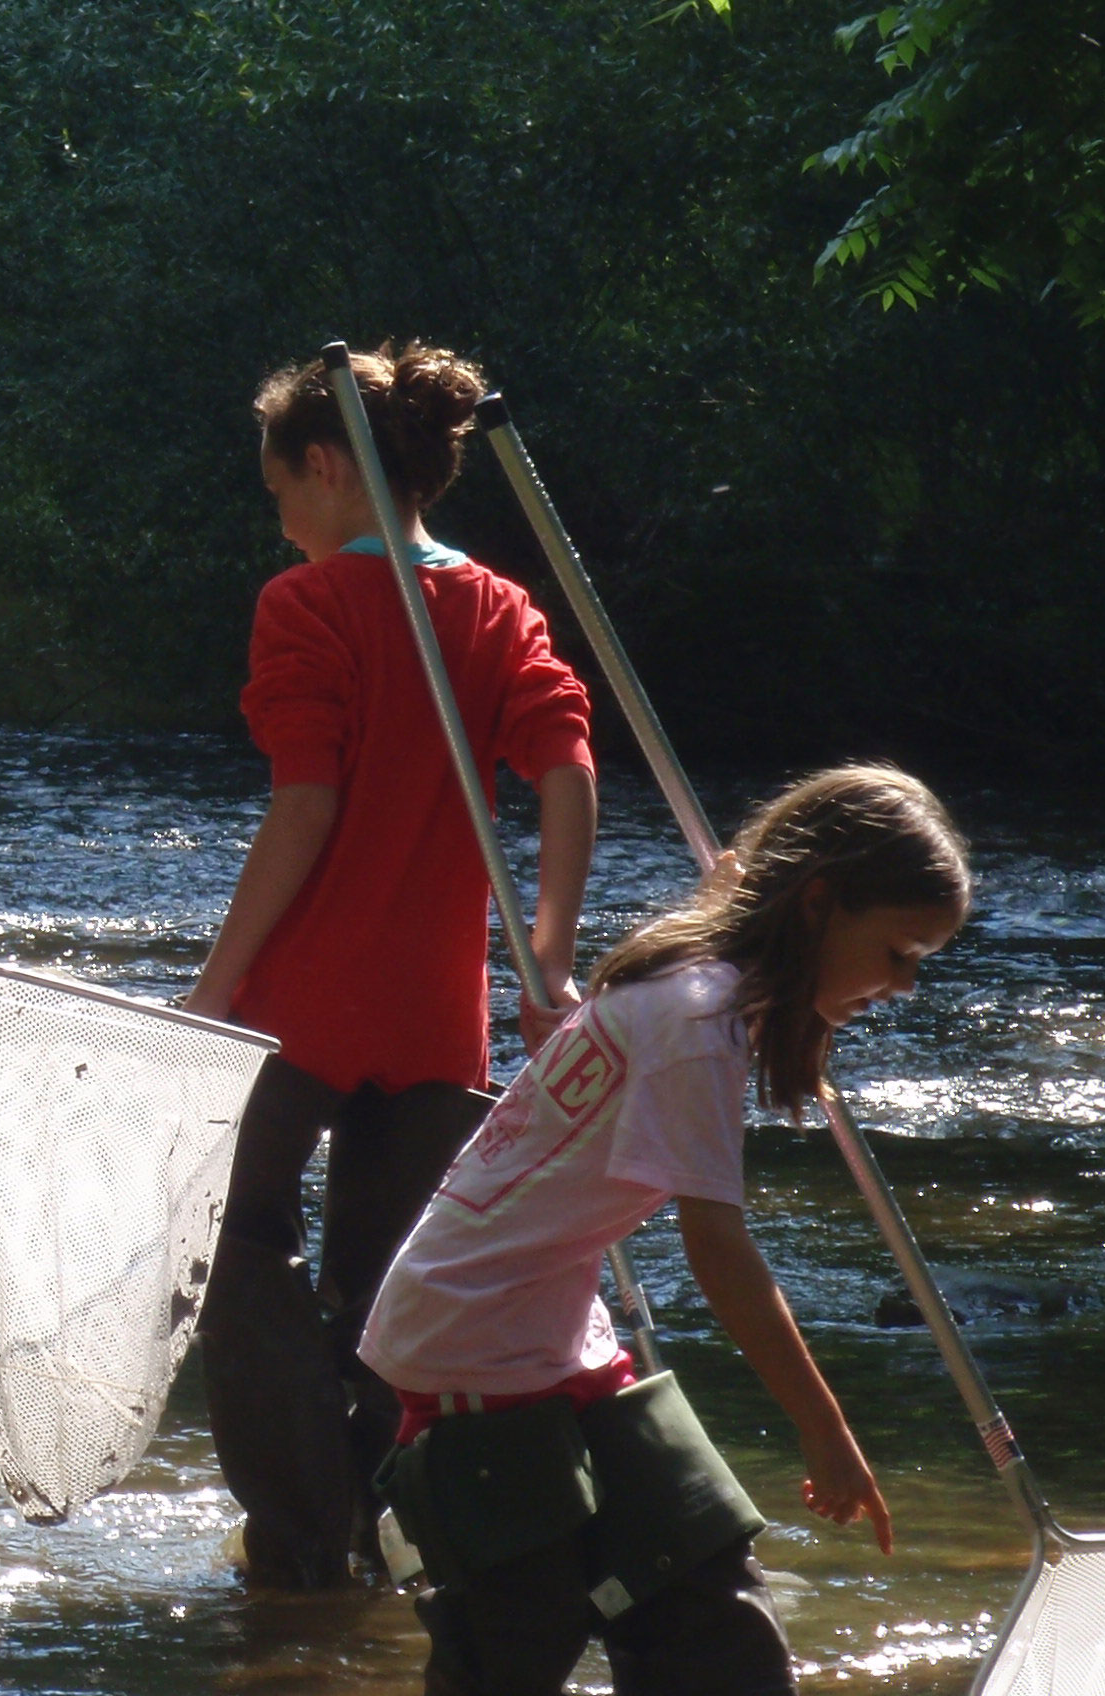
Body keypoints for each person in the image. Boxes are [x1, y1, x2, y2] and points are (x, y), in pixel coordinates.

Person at [361, 766, 952, 1693]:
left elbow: (741, 905)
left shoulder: (712, 986)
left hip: (555, 1332)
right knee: (519, 1645)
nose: (905, 984)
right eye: (898, 953)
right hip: (471, 1332)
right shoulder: (698, 1020)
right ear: (818, 905)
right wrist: (825, 1433)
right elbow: (719, 1257)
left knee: (716, 1628)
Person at [179, 341, 598, 1589]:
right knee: (387, 1297)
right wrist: (549, 958)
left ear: (326, 466)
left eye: (281, 496)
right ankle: (370, 1536)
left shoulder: (303, 605)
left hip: (297, 1010)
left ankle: (300, 1545)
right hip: (434, 1023)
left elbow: (303, 809)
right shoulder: (498, 607)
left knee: (229, 1247)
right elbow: (569, 769)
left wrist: (212, 988)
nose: (284, 524)